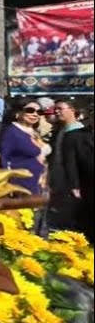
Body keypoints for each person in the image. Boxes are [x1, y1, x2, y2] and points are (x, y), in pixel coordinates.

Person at [46, 100, 94, 241]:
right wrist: (74, 185)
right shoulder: (76, 136)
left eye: (61, 108)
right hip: (87, 186)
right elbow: (70, 163)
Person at [0, 100, 49, 196]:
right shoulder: (11, 132)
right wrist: (8, 184)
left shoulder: (34, 132)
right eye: (30, 110)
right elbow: (4, 158)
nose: (35, 114)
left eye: (39, 112)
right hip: (21, 184)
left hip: (39, 182)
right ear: (18, 112)